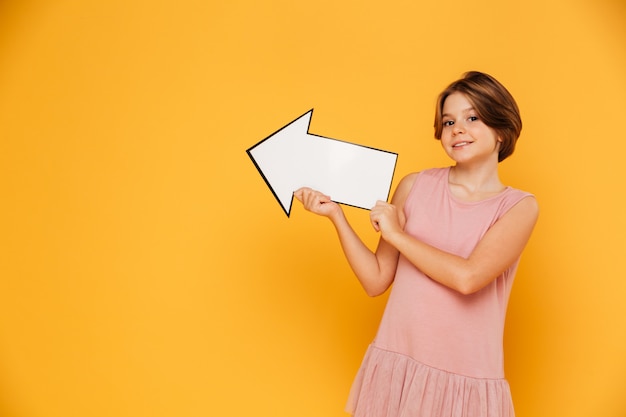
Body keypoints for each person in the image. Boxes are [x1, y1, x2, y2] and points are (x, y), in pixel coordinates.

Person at [294, 71, 538, 417]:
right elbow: (376, 280)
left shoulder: (518, 207)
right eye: (448, 120)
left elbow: (468, 278)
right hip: (398, 367)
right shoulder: (414, 186)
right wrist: (336, 215)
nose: (457, 129)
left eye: (472, 117)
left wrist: (397, 235)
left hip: (464, 380)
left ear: (502, 130)